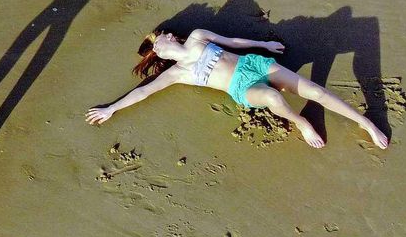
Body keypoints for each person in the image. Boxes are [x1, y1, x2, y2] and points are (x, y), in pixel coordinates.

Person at [85, 29, 389, 149]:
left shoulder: (196, 37)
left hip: (254, 64)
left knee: (316, 92)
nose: (164, 34)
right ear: (159, 52)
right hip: (241, 87)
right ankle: (301, 123)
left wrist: (264, 44)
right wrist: (111, 108)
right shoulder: (178, 73)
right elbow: (143, 92)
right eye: (158, 38)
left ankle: (366, 123)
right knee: (271, 97)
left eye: (163, 33)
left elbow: (233, 42)